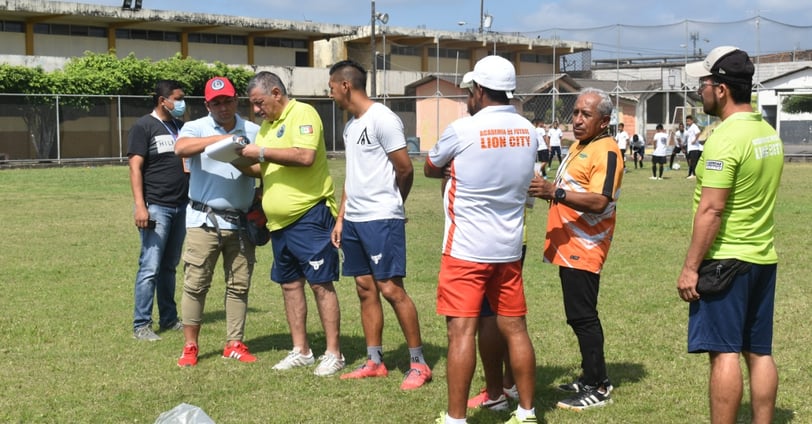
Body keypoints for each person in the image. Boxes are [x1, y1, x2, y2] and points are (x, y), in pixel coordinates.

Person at [424, 55, 538, 424]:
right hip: (508, 246)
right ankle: (526, 411)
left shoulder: (462, 129)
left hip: (466, 248)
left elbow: (431, 166)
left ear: (478, 90)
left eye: (469, 90)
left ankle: (456, 418)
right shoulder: (529, 130)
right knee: (516, 329)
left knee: (461, 332)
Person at [679, 46, 783, 424]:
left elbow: (712, 210)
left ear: (721, 88)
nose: (700, 90)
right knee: (759, 351)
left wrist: (691, 268)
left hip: (726, 261)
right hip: (762, 258)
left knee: (723, 353)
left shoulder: (725, 138)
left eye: (704, 83)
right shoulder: (767, 132)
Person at [326, 60, 431, 390]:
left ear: (345, 85)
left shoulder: (382, 119)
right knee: (364, 288)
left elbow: (405, 169)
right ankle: (375, 361)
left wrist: (394, 206)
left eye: (330, 88)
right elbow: (353, 176)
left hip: (381, 218)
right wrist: (342, 218)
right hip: (354, 221)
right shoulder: (351, 126)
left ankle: (419, 363)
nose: (330, 95)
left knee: (390, 288)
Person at [236, 71, 345, 377]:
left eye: (259, 103)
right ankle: (302, 350)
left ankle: (333, 353)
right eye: (253, 105)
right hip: (278, 223)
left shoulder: (303, 113)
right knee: (289, 284)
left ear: (275, 93)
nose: (256, 110)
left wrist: (259, 151)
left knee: (321, 283)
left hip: (309, 215)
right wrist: (234, 160)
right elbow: (263, 167)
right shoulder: (267, 127)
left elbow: (305, 156)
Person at [528, 87, 623, 411]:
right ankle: (589, 376)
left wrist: (556, 192)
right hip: (569, 243)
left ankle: (598, 385)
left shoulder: (607, 150)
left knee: (583, 317)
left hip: (586, 243)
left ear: (604, 121)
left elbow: (600, 200)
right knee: (577, 315)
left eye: (586, 114)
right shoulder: (581, 144)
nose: (577, 119)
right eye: (576, 113)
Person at [173, 76, 261, 366]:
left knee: (239, 285)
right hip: (203, 220)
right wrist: (222, 140)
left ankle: (234, 343)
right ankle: (190, 346)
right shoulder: (195, 127)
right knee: (196, 284)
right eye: (216, 103)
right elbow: (181, 148)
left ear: (237, 100)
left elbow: (263, 169)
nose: (223, 107)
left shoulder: (253, 130)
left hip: (241, 222)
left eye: (228, 101)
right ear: (207, 105)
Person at [127, 79, 188, 341]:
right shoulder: (144, 126)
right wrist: (141, 206)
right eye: (178, 98)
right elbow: (135, 168)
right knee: (150, 266)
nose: (182, 102)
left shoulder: (180, 127)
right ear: (163, 101)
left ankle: (169, 318)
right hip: (156, 206)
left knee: (169, 267)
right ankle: (141, 324)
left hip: (181, 206)